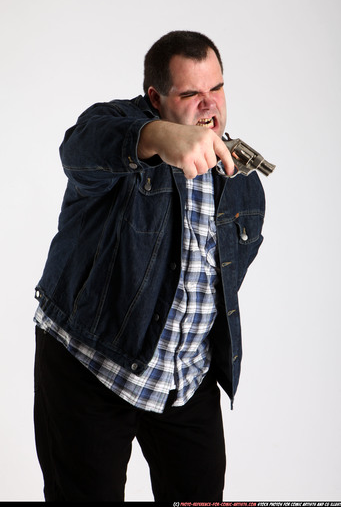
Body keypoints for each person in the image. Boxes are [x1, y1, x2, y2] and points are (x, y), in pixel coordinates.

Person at [33, 30, 266, 502]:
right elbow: (78, 149)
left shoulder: (242, 183)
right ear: (156, 98)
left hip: (185, 379)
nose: (208, 104)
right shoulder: (119, 128)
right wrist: (157, 136)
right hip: (92, 366)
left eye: (216, 89)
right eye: (190, 93)